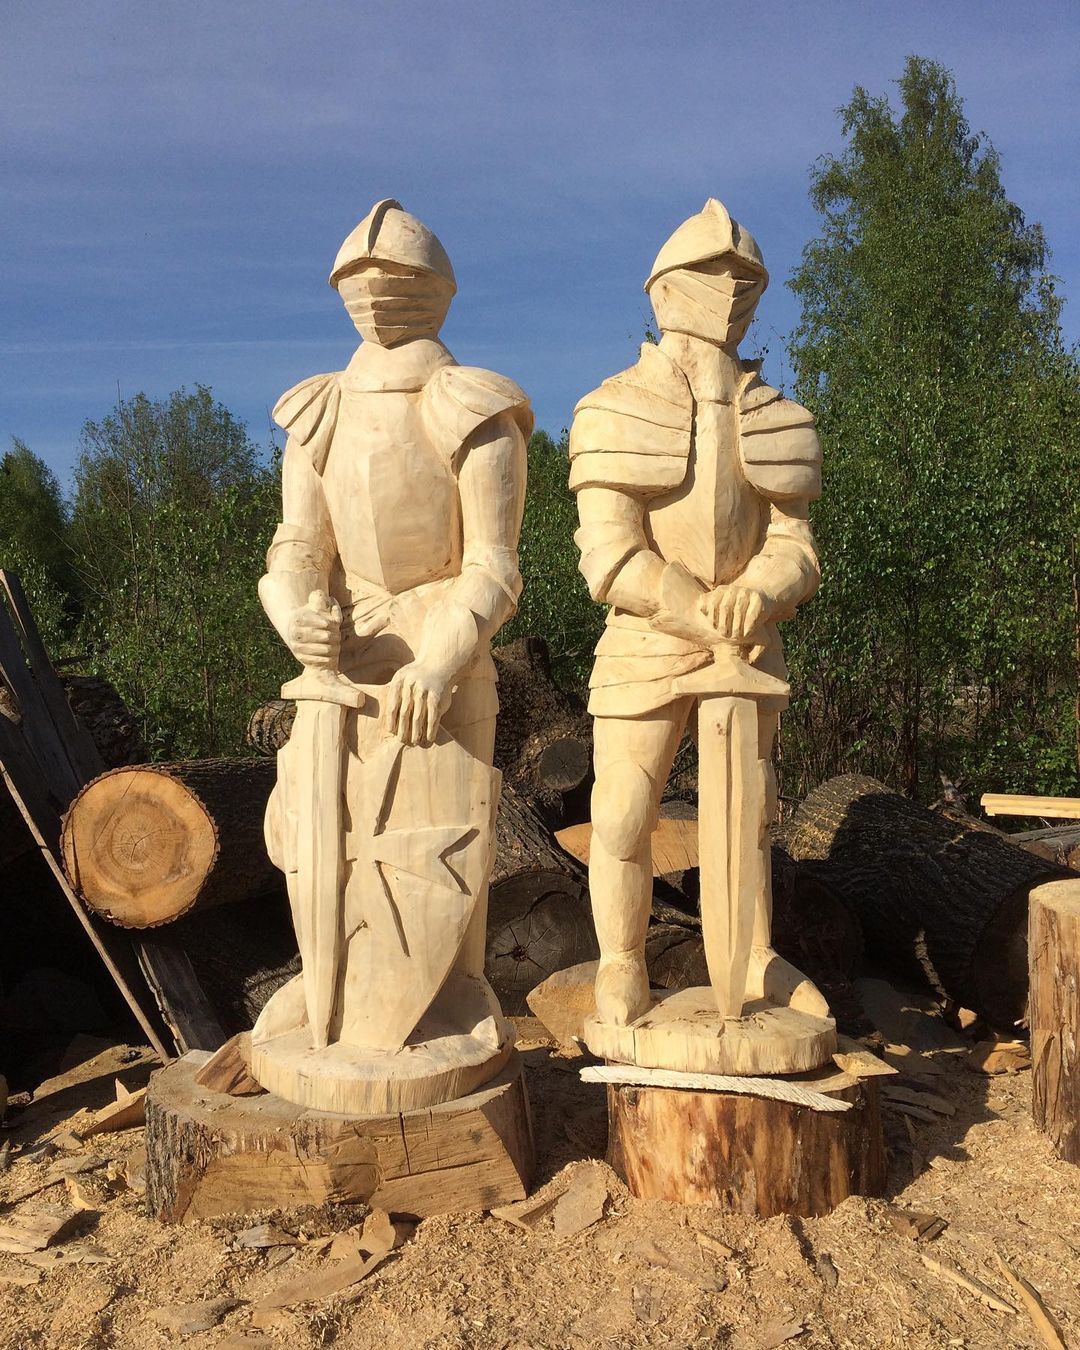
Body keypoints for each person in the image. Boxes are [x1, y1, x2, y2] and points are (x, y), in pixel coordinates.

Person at [258, 199, 531, 1050]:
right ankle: (331, 991)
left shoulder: (472, 405)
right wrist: (296, 615)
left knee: (445, 838)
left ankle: (456, 993)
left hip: (441, 647)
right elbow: (297, 545)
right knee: (322, 833)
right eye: (361, 278)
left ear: (436, 289)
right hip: (340, 660)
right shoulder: (319, 410)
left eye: (397, 277)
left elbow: (493, 565)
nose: (376, 293)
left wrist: (442, 660)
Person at [570, 198, 827, 1027]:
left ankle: (753, 957)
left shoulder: (780, 416)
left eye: (743, 275)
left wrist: (763, 590)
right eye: (710, 273)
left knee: (749, 815)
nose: (728, 287)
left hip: (750, 641)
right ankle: (621, 962)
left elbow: (795, 542)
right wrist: (690, 605)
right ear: (663, 289)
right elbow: (609, 552)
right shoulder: (612, 407)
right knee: (621, 812)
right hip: (646, 639)